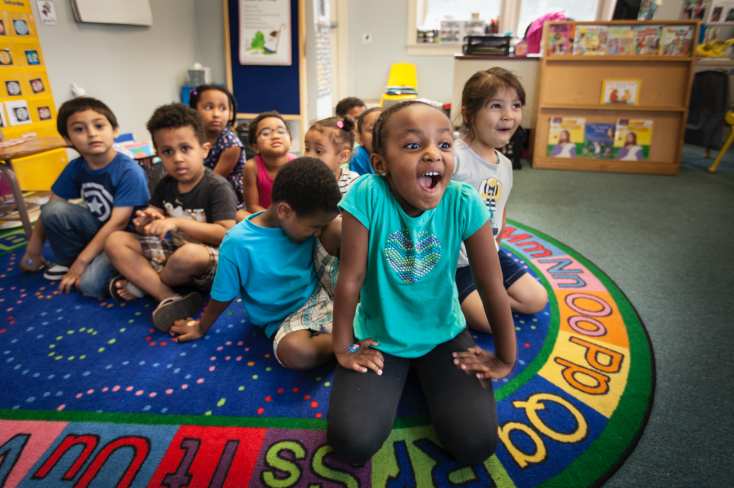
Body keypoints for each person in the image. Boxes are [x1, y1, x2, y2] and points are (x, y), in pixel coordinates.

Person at [327, 101, 516, 465]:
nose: (434, 154)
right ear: (380, 164)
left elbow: (492, 286)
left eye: (445, 145)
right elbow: (351, 278)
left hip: (443, 335)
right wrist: (342, 346)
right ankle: (406, 375)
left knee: (476, 445)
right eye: (414, 145)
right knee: (351, 443)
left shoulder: (465, 202)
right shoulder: (367, 194)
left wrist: (506, 357)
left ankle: (424, 374)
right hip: (379, 337)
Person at [168, 158, 343, 371]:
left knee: (337, 226)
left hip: (326, 292)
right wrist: (201, 328)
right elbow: (222, 294)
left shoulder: (304, 222)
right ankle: (352, 336)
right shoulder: (237, 243)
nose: (317, 232)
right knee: (295, 353)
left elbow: (328, 229)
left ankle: (361, 313)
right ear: (285, 211)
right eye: (314, 227)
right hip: (287, 318)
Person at [104, 103, 237, 331]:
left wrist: (177, 222)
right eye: (168, 151)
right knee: (115, 240)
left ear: (204, 149)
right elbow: (154, 219)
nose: (177, 158)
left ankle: (144, 283)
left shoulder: (216, 186)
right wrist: (145, 223)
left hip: (212, 262)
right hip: (173, 255)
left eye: (185, 148)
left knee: (188, 254)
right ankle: (168, 296)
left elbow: (226, 234)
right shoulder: (165, 184)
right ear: (159, 155)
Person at [19, 97, 149, 298]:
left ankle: (136, 276)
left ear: (115, 130)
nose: (92, 133)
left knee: (90, 286)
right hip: (99, 229)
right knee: (54, 210)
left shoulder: (129, 171)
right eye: (80, 129)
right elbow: (51, 207)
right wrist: (33, 251)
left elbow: (118, 223)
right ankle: (73, 263)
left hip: (129, 239)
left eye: (99, 125)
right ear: (68, 139)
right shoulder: (75, 167)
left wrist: (82, 262)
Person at [453, 68, 547, 334]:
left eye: (516, 105)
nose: (509, 115)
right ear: (469, 114)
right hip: (454, 262)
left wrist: (494, 248)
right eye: (496, 106)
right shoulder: (454, 157)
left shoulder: (505, 164)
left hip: (488, 255)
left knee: (535, 299)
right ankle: (450, 299)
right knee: (489, 322)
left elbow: (500, 211)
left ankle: (481, 301)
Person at [189, 84, 247, 213]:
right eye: (209, 107)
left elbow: (214, 180)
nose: (216, 114)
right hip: (199, 190)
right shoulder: (192, 138)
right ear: (194, 111)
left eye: (223, 108)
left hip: (227, 199)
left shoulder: (231, 144)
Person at [241, 111, 297, 214]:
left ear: (290, 143)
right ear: (255, 147)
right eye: (266, 133)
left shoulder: (296, 164)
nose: (275, 136)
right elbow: (252, 206)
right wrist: (275, 219)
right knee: (240, 215)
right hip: (265, 216)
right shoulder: (252, 167)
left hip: (291, 216)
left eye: (281, 132)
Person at [303, 115, 360, 196]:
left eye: (319, 151)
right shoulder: (303, 178)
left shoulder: (352, 182)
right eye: (307, 149)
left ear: (343, 156)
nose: (309, 156)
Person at [349, 107, 383, 176]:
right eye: (371, 129)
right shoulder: (358, 154)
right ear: (360, 139)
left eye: (383, 128)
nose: (378, 132)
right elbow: (362, 186)